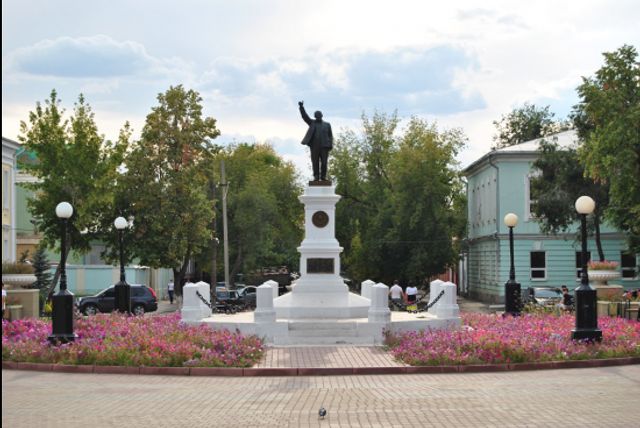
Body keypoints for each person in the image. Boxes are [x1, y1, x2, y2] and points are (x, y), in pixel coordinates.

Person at [298, 101, 333, 182]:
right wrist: (301, 107)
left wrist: (330, 144)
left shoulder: (327, 125)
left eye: (319, 116)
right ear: (315, 117)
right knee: (315, 162)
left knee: (324, 163)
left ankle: (323, 177)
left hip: (324, 146)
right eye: (316, 116)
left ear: (322, 116)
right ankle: (316, 176)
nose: (318, 117)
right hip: (314, 146)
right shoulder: (312, 123)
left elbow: (330, 135)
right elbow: (304, 116)